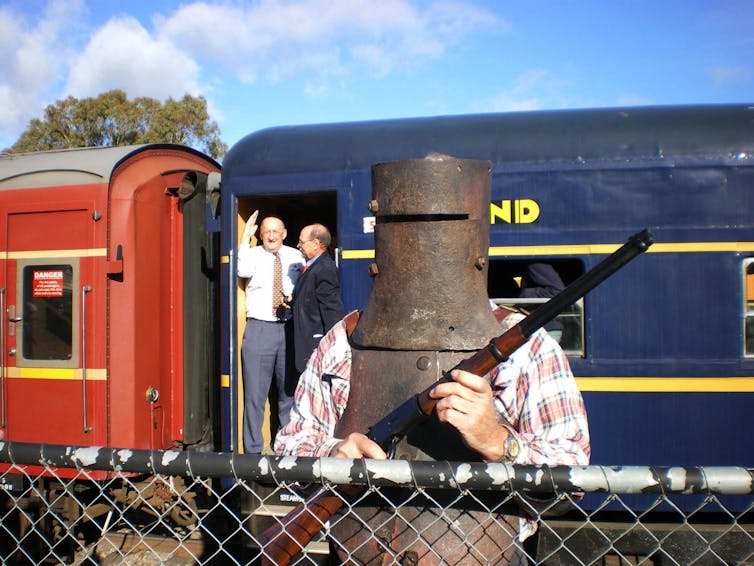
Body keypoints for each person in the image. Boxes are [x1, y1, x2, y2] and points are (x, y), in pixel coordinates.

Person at [274, 155, 590, 564]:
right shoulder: (343, 340)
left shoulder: (528, 346)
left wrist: (500, 444)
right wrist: (333, 454)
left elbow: (571, 482)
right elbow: (289, 448)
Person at [237, 213, 303, 454]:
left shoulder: (296, 256)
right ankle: (254, 450)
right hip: (260, 329)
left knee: (289, 393)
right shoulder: (252, 255)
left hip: (289, 328)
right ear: (261, 234)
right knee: (255, 395)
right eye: (267, 231)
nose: (272, 236)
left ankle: (286, 446)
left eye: (276, 231)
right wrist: (245, 239)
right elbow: (242, 271)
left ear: (284, 234)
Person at [291, 224, 344, 374]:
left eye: (302, 242)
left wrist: (331, 343)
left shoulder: (324, 268)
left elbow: (331, 309)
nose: (298, 245)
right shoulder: (312, 266)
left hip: (316, 343)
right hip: (308, 342)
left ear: (315, 244)